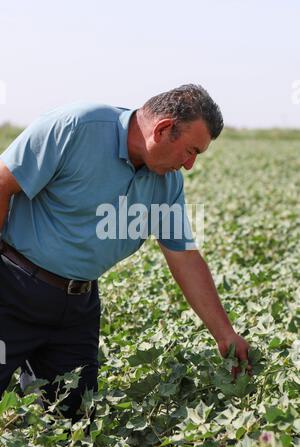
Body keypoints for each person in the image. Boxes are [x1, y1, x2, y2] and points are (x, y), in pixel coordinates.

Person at [0, 84, 250, 420]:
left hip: (77, 308)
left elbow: (185, 256)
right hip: (12, 290)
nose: (189, 165)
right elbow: (2, 184)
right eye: (191, 151)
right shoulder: (77, 127)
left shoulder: (167, 183)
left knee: (72, 423)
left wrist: (225, 334)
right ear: (162, 130)